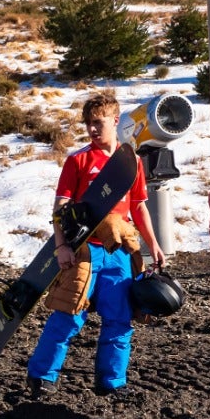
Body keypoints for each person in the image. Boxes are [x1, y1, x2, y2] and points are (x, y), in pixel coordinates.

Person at [25, 91, 165, 401]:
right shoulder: (78, 160)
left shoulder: (132, 163)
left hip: (119, 253)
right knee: (69, 314)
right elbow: (60, 207)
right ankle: (42, 378)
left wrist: (153, 246)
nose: (92, 129)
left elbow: (139, 207)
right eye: (88, 123)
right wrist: (62, 247)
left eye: (98, 123)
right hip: (84, 250)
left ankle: (112, 383)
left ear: (115, 121)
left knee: (120, 319)